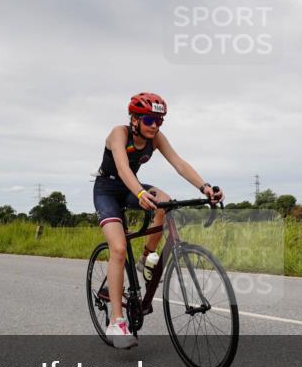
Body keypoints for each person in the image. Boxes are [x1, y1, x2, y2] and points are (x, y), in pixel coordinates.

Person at [93, 92, 223, 348]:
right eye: (150, 120)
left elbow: (179, 163)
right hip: (108, 190)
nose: (155, 126)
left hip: (133, 188)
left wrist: (205, 187)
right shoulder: (119, 133)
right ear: (134, 119)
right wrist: (139, 192)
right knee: (118, 249)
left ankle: (146, 259)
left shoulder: (156, 138)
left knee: (165, 200)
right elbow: (122, 168)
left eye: (159, 121)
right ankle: (117, 323)